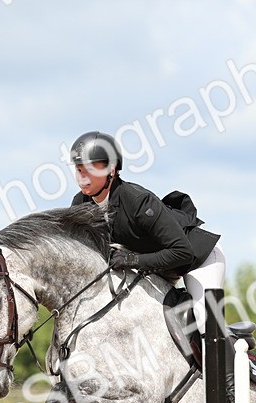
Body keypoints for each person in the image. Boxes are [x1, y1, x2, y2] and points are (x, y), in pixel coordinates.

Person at [68, 130, 227, 335]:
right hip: (157, 266)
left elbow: (182, 252)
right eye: (79, 169)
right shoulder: (80, 205)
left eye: (90, 168)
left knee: (207, 326)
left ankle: (235, 362)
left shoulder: (137, 201)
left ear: (112, 170)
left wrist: (132, 260)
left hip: (197, 258)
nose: (82, 177)